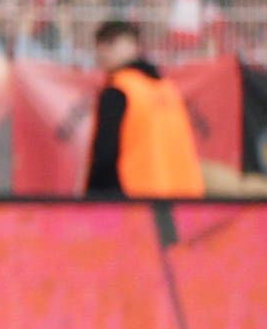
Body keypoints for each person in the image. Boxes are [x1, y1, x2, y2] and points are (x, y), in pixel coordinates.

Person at [87, 20, 203, 198]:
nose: (103, 51)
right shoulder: (168, 89)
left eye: (110, 43)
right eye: (101, 44)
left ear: (133, 46)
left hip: (137, 200)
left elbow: (105, 154)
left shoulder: (119, 90)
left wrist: (93, 199)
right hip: (183, 201)